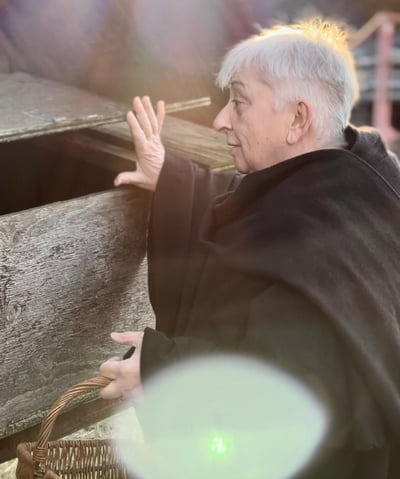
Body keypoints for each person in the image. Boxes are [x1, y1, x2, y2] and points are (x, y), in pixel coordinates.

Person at [99, 17, 400, 478]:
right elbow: (253, 202)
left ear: (298, 118)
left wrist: (162, 367)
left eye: (239, 102)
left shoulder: (318, 242)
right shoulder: (362, 173)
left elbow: (285, 388)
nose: (221, 120)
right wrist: (173, 177)